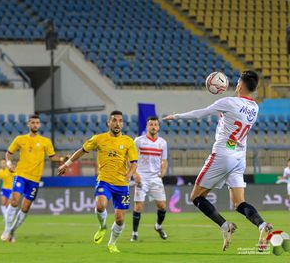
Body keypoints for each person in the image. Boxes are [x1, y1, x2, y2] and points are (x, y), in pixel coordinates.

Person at [163, 71, 272, 251]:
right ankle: (262, 225)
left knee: (196, 197)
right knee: (239, 203)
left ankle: (225, 226)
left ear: (241, 85)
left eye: (238, 82)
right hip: (239, 157)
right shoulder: (254, 108)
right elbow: (231, 115)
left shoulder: (228, 102)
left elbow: (200, 114)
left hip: (223, 154)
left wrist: (177, 116)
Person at [58, 110, 138, 253]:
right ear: (108, 123)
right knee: (100, 205)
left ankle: (112, 243)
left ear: (123, 124)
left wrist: (129, 175)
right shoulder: (99, 138)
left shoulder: (128, 142)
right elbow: (82, 150)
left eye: (120, 120)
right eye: (114, 120)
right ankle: (102, 227)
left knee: (120, 219)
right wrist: (67, 164)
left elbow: (134, 163)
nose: (117, 123)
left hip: (122, 184)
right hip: (104, 181)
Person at [1, 114, 68, 242]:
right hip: (21, 175)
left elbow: (52, 157)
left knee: (25, 208)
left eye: (37, 123)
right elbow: (8, 154)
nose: (35, 125)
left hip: (35, 179)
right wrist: (9, 164)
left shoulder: (45, 141)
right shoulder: (20, 139)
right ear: (28, 124)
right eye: (32, 122)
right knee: (14, 201)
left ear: (40, 125)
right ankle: (7, 229)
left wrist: (61, 159)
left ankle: (12, 231)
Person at [131, 116, 168, 242]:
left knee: (162, 206)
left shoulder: (162, 143)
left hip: (155, 178)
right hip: (142, 176)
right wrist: (134, 173)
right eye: (151, 124)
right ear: (147, 127)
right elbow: (131, 159)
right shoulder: (139, 141)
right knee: (139, 206)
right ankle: (134, 233)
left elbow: (164, 160)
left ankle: (158, 226)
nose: (153, 127)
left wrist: (163, 171)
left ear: (158, 127)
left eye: (155, 124)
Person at [0, 158, 15, 231]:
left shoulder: (9, 170)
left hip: (11, 189)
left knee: (8, 204)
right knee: (3, 202)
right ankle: (6, 217)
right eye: (1, 163)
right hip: (4, 188)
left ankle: (8, 217)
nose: (2, 164)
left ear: (6, 164)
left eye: (3, 163)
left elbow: (15, 175)